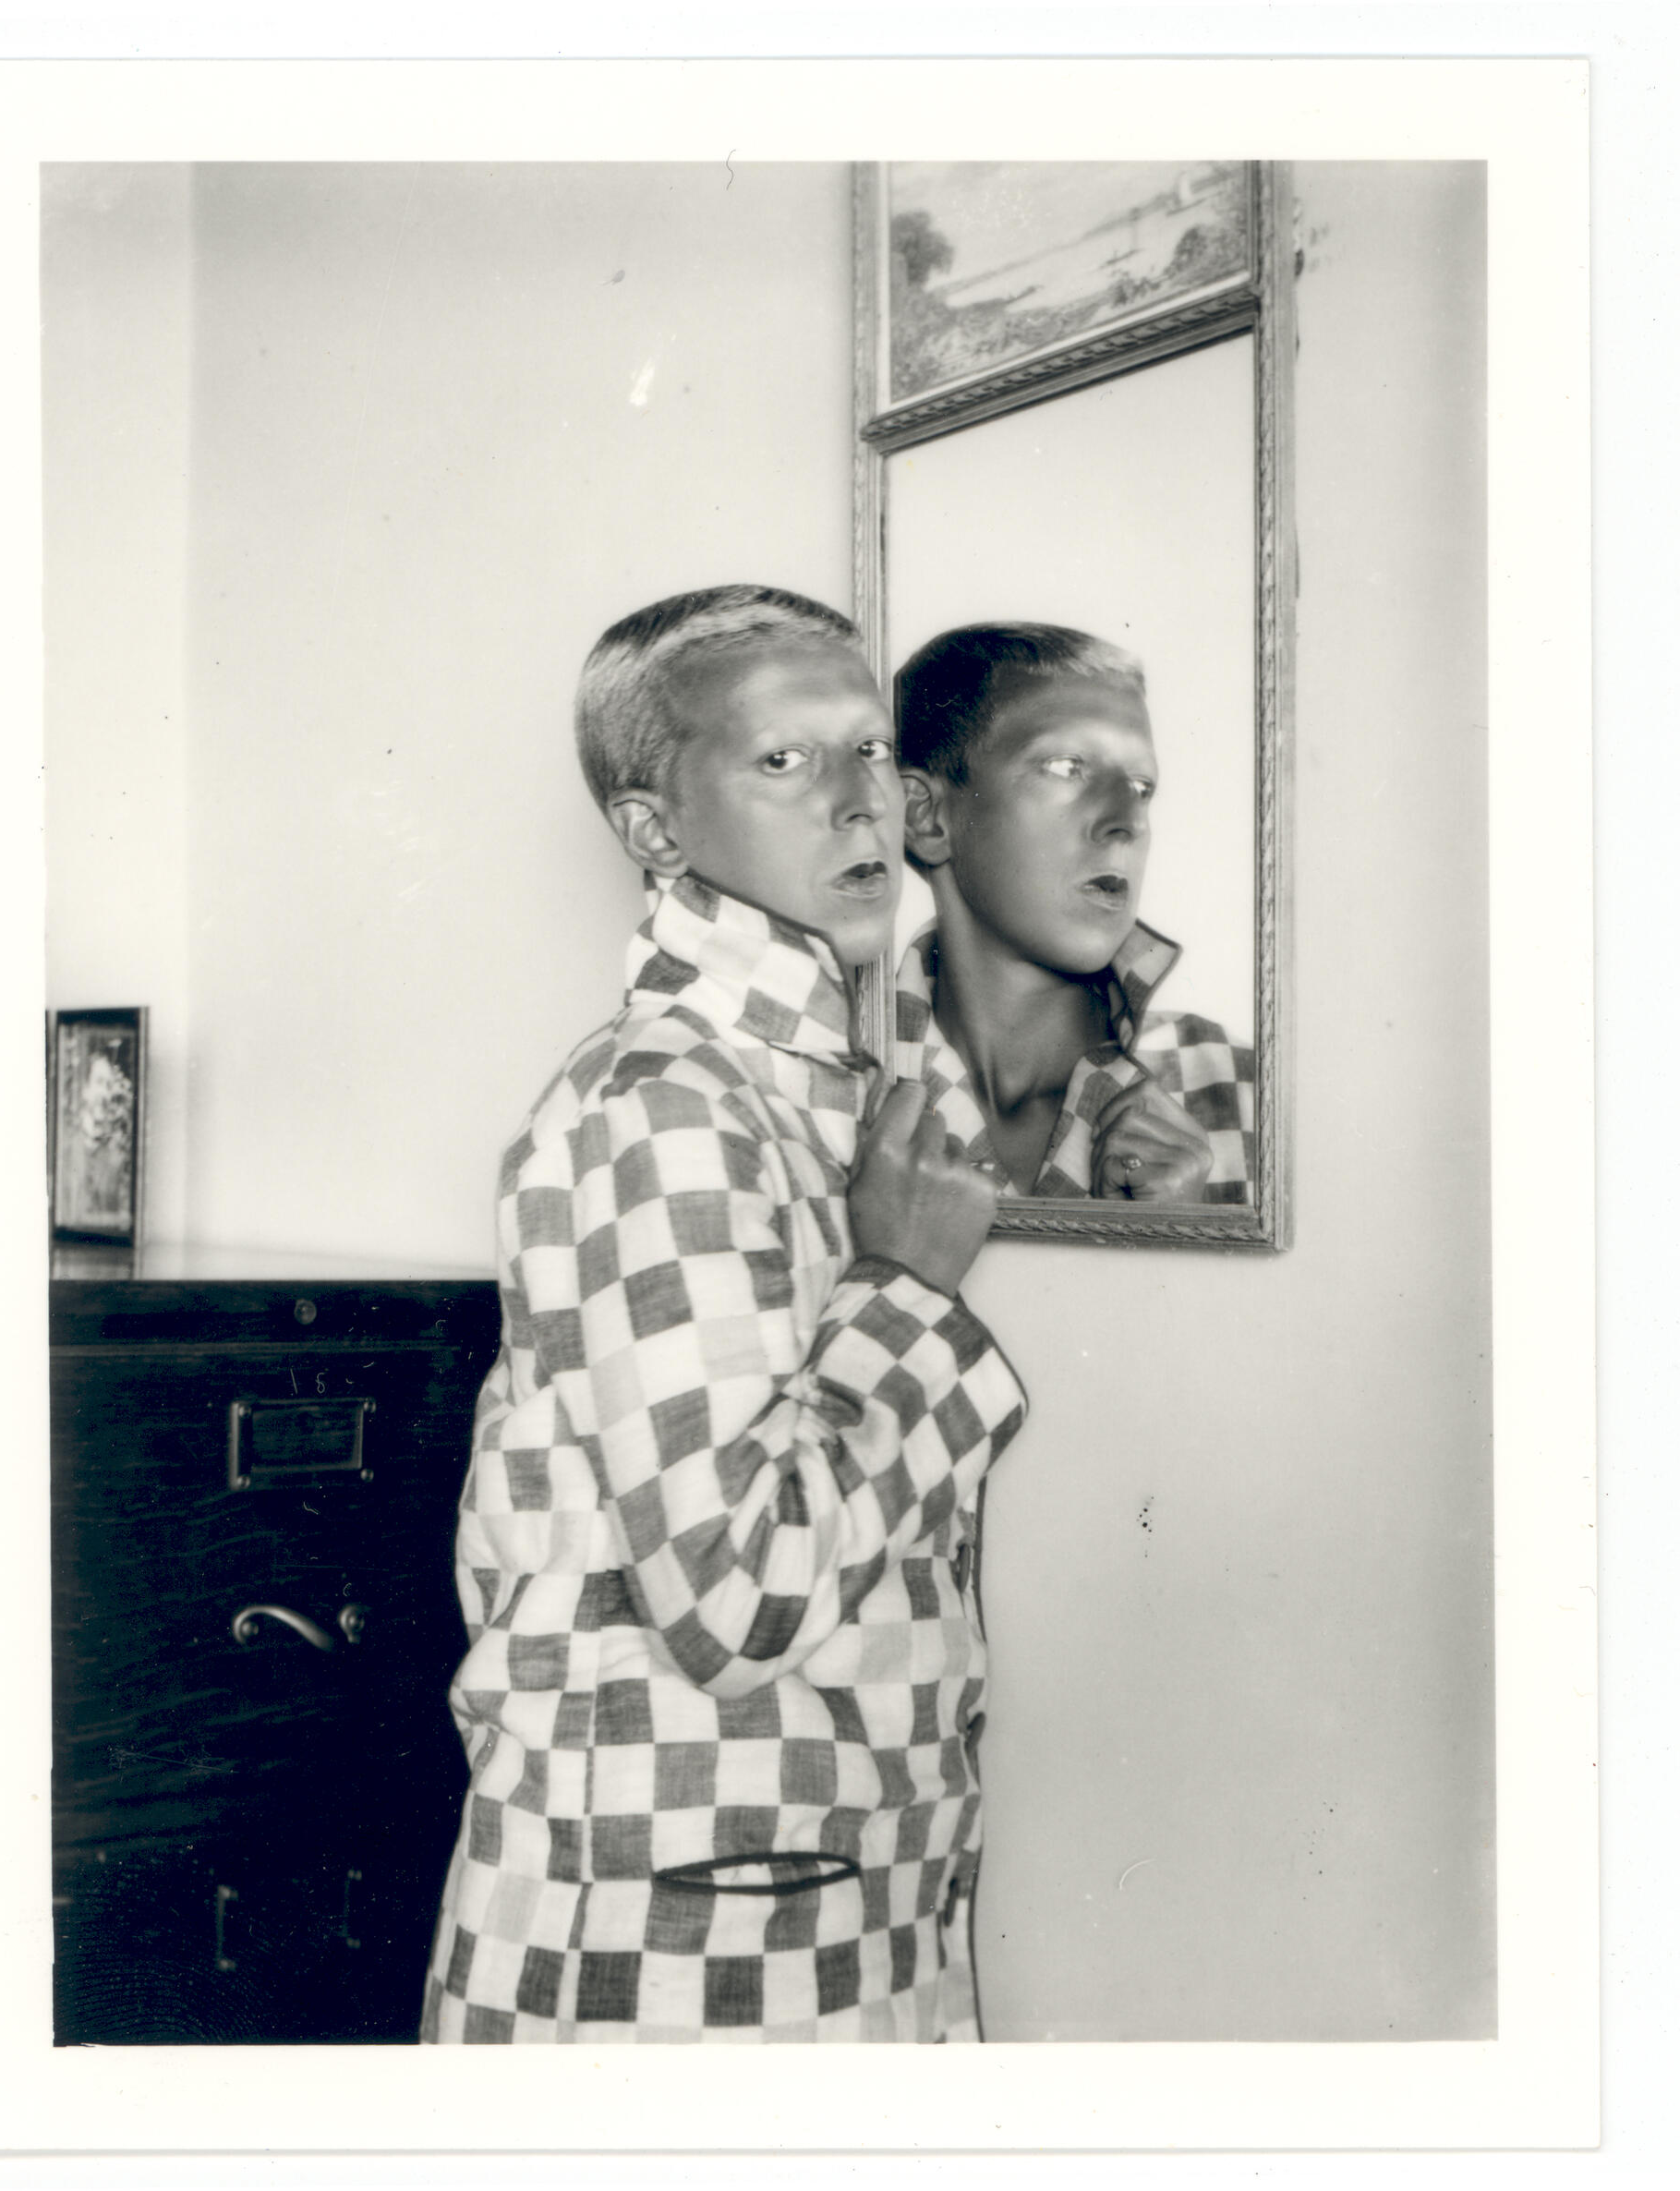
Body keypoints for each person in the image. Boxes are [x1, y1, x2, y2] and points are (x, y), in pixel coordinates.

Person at [422, 586, 1027, 2045]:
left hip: (821, 1892)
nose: (859, 799)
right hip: (672, 1939)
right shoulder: (664, 1108)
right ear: (653, 831)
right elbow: (737, 1597)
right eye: (783, 760)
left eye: (871, 749)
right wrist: (908, 1290)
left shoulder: (820, 1083)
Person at [891, 622, 1254, 1204]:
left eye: (1141, 786)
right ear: (926, 818)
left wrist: (1181, 1240)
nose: (1127, 822)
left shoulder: (1246, 1092)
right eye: (1066, 767)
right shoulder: (824, 1092)